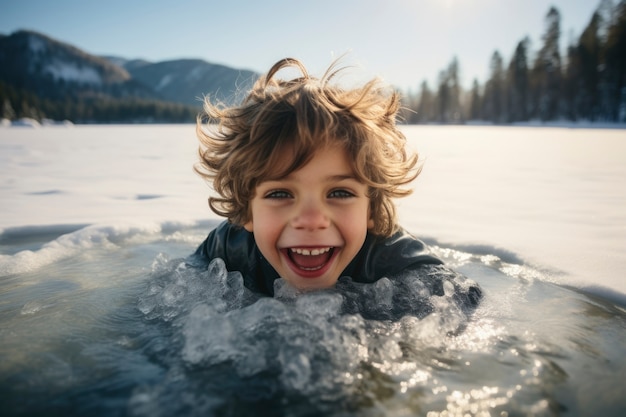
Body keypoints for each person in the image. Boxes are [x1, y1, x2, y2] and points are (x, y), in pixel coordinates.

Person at [192, 57, 481, 307]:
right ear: (247, 212)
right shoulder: (228, 248)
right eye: (280, 193)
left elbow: (466, 303)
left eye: (340, 192)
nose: (311, 220)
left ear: (371, 209)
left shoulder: (397, 263)